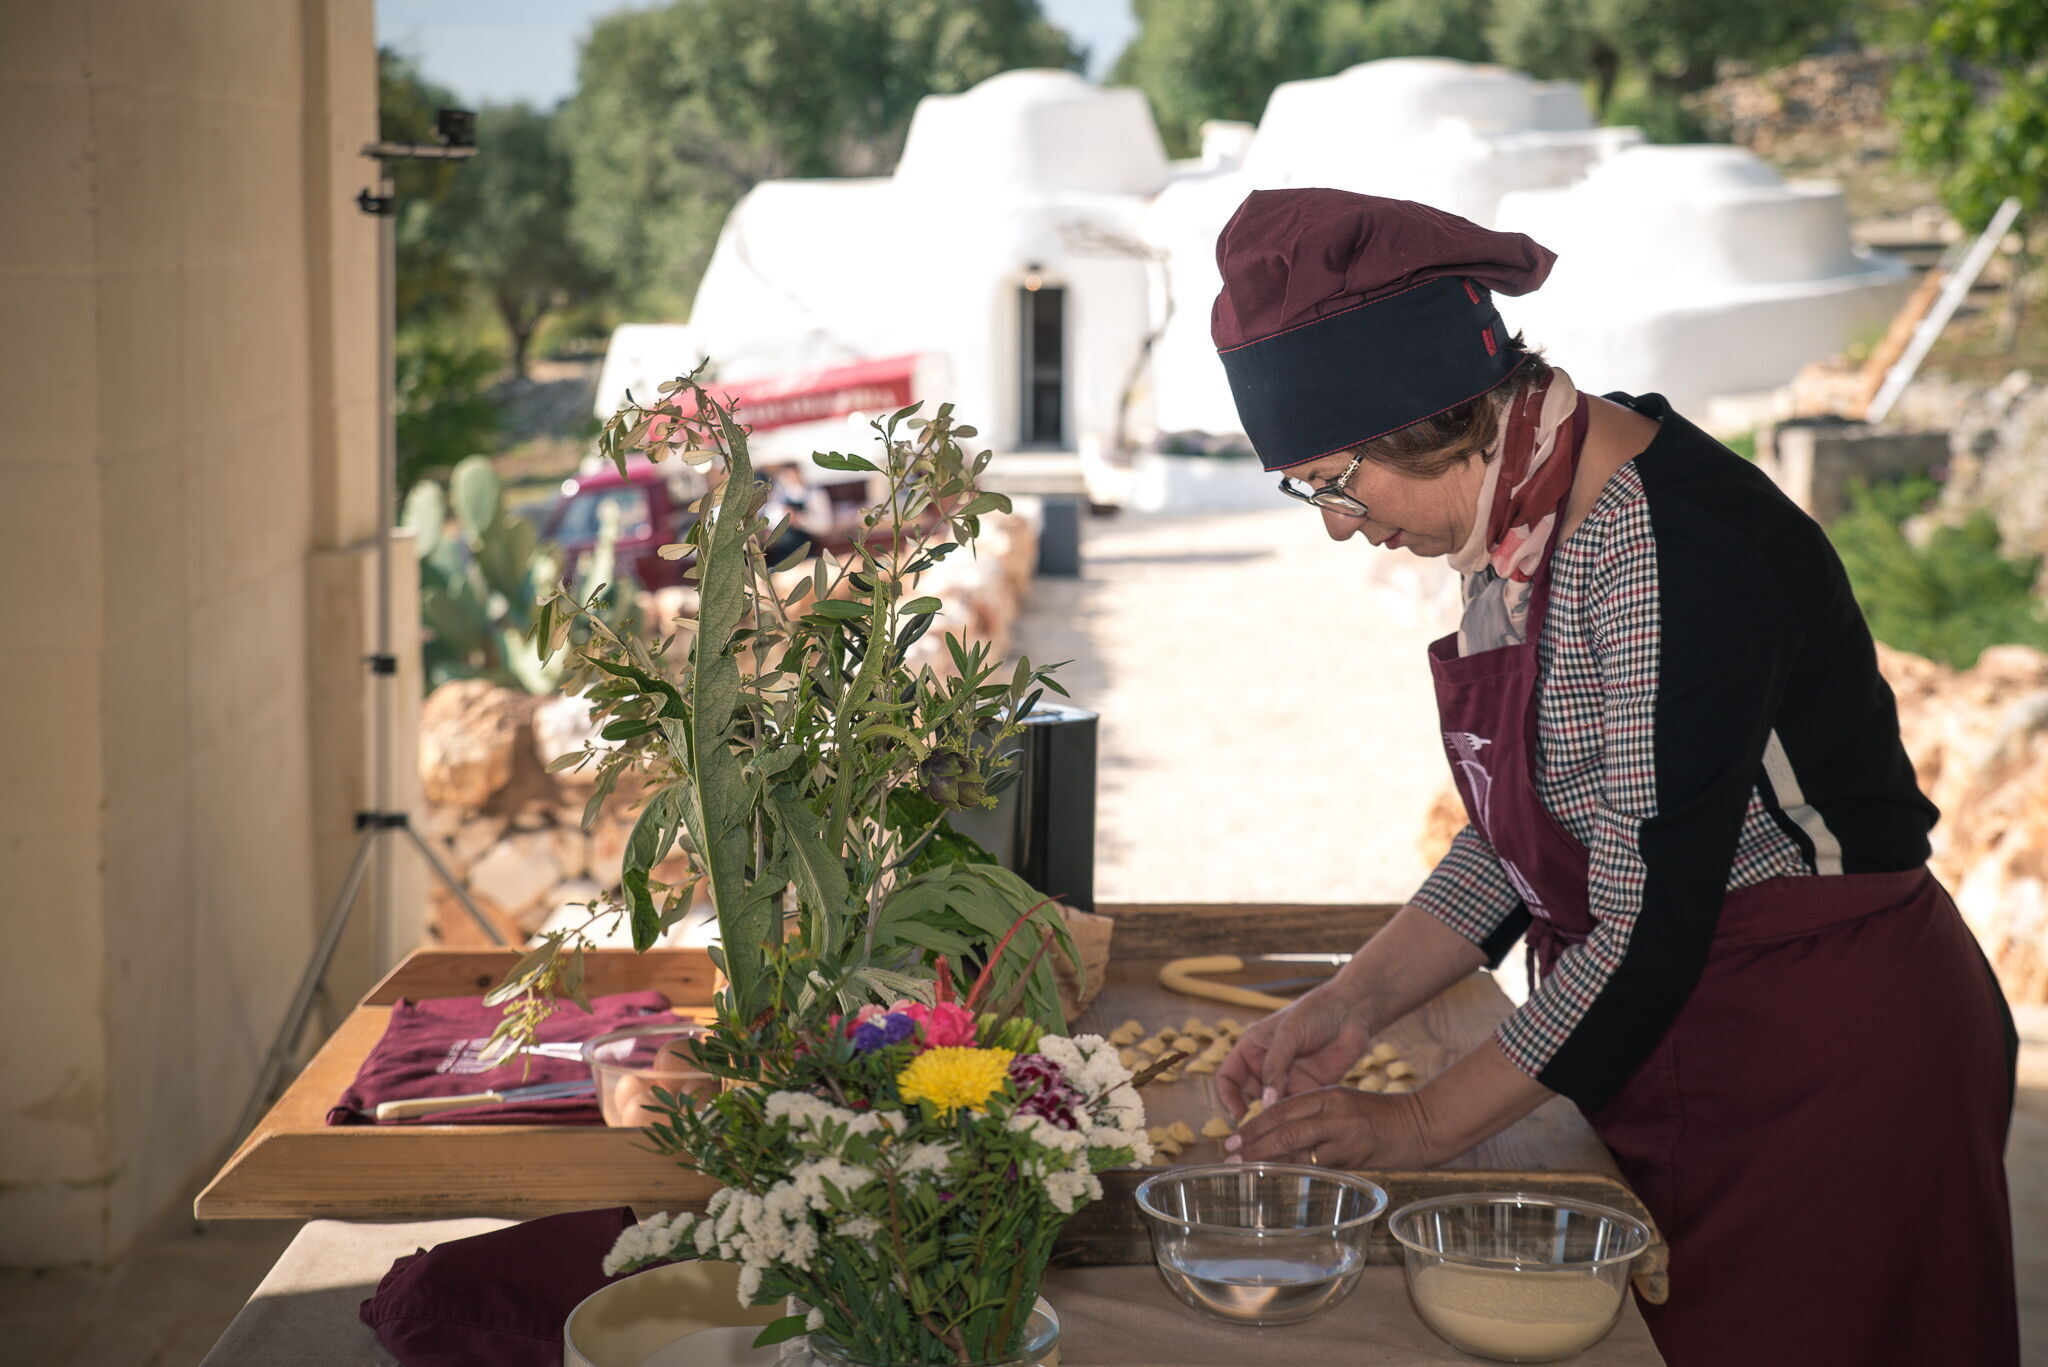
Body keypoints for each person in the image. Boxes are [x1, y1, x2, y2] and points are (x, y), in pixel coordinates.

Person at [1207, 188, 2019, 1366]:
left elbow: (1645, 918)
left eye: (1334, 483)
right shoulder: (1513, 523)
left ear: (1430, 418)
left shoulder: (1665, 551)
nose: (1339, 526)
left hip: (1825, 1055)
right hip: (1678, 1033)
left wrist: (1421, 1121)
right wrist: (1349, 1000)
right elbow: (1517, 829)